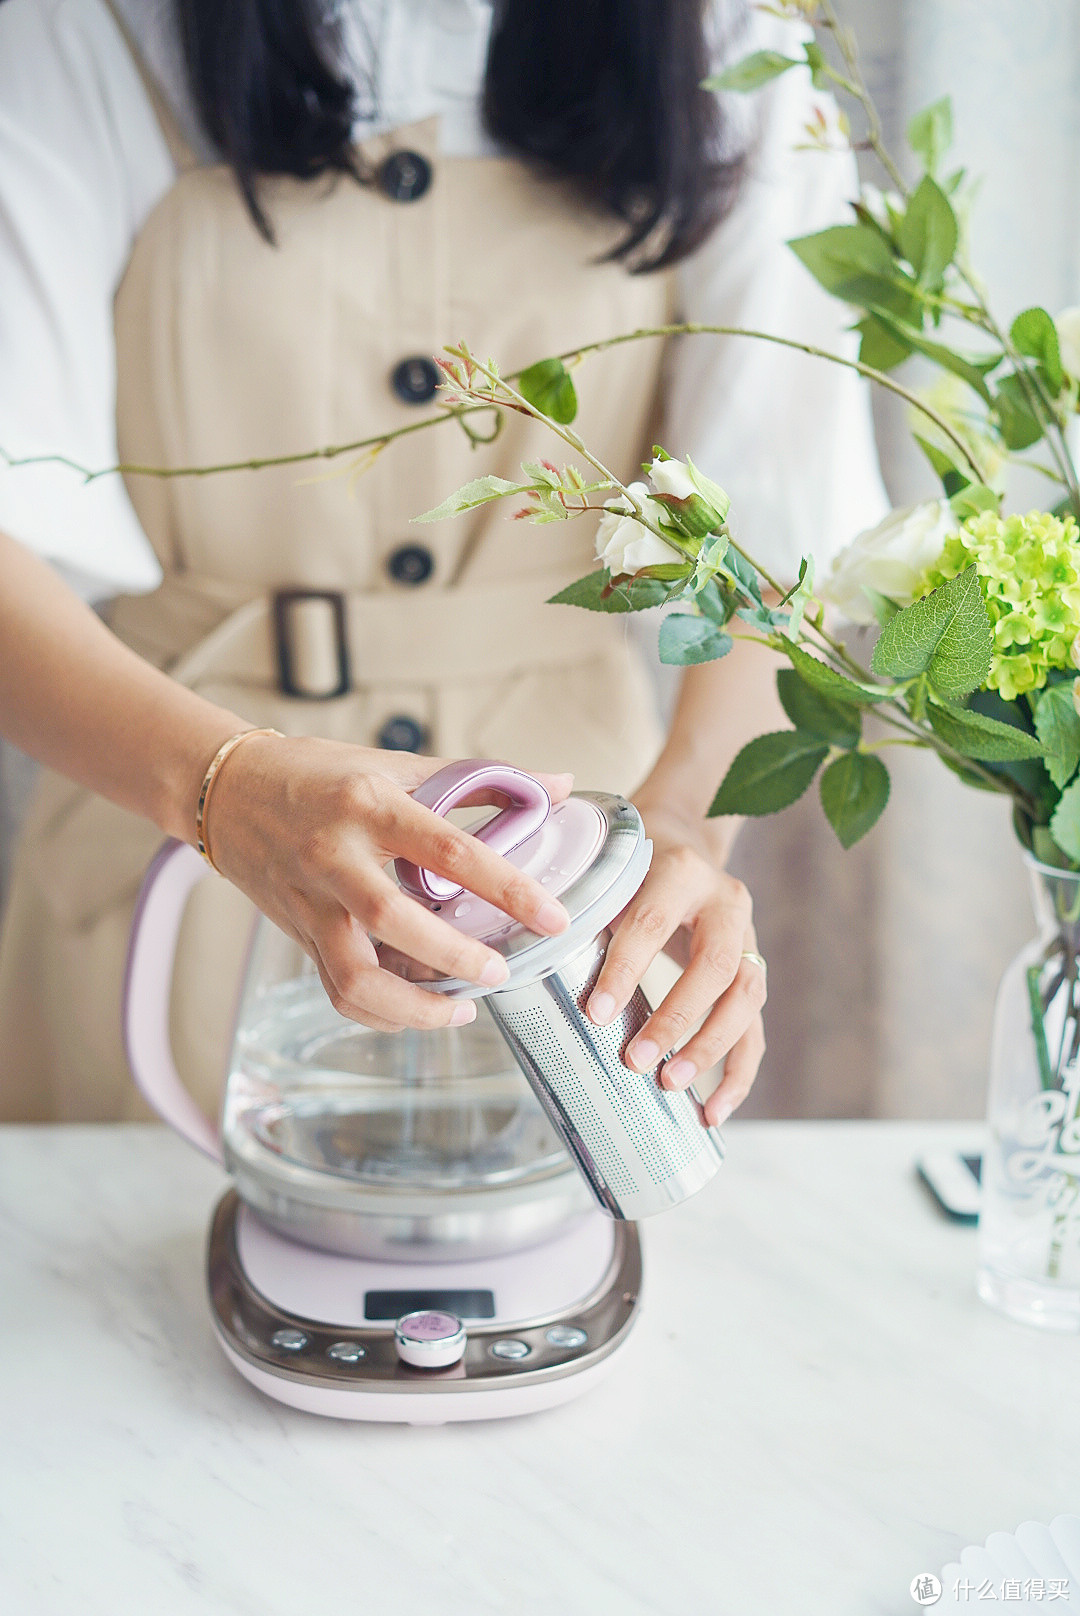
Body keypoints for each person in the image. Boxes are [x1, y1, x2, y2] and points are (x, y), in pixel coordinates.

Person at [0, 0, 886, 1126]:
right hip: (171, 837)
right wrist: (222, 789)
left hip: (562, 892)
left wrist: (683, 829)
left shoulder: (728, 44)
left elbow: (774, 549)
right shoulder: (88, 28)